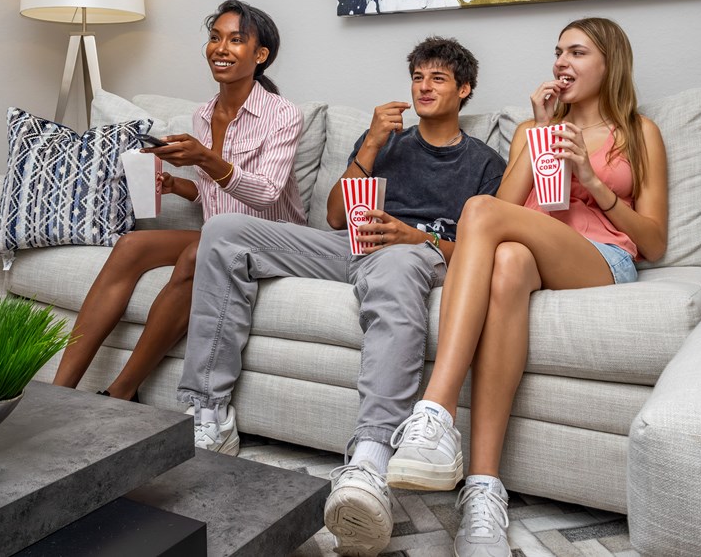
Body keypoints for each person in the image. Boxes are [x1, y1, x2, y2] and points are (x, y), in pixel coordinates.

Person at [177, 36, 506, 556]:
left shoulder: (484, 163)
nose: (424, 87)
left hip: (414, 254)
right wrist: (371, 143)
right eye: (418, 77)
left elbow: (481, 248)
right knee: (223, 233)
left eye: (438, 79)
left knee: (396, 264)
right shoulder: (387, 142)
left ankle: (370, 461)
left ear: (464, 90)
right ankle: (209, 413)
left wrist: (413, 236)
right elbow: (334, 216)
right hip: (346, 246)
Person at [386, 18, 669, 557]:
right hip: (533, 254)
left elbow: (653, 241)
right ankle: (483, 493)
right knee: (509, 260)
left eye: (577, 52)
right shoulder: (529, 130)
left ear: (609, 62)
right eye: (558, 52)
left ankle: (435, 411)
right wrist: (539, 133)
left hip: (601, 257)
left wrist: (592, 180)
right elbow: (504, 213)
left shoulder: (639, 132)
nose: (561, 62)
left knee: (478, 210)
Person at [52, 0, 305, 402]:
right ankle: (58, 392)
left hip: (275, 239)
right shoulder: (204, 114)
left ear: (260, 55)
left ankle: (120, 392)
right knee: (130, 246)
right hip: (221, 235)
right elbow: (215, 194)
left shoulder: (283, 114)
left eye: (235, 40)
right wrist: (177, 185)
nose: (220, 48)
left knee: (195, 255)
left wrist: (203, 158)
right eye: (215, 38)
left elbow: (266, 193)